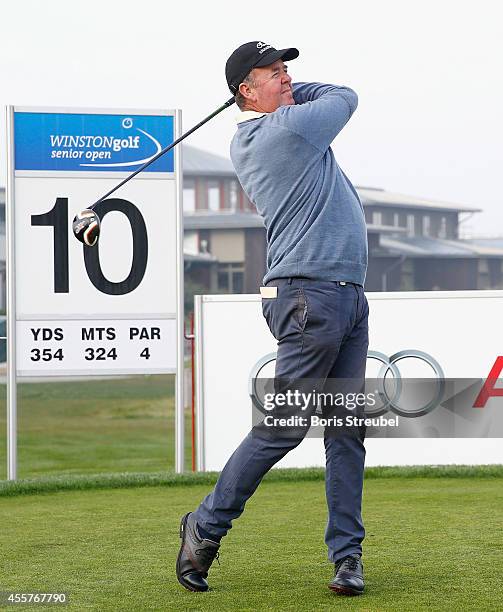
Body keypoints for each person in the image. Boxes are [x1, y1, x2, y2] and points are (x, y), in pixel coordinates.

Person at [176, 41, 369, 596]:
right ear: (245, 91)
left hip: (344, 296)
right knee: (284, 426)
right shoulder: (281, 132)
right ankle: (204, 527)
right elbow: (345, 96)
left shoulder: (285, 126)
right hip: (310, 298)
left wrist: (279, 96)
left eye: (288, 70)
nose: (287, 79)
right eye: (274, 73)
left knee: (347, 430)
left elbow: (321, 100)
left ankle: (347, 557)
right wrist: (289, 101)